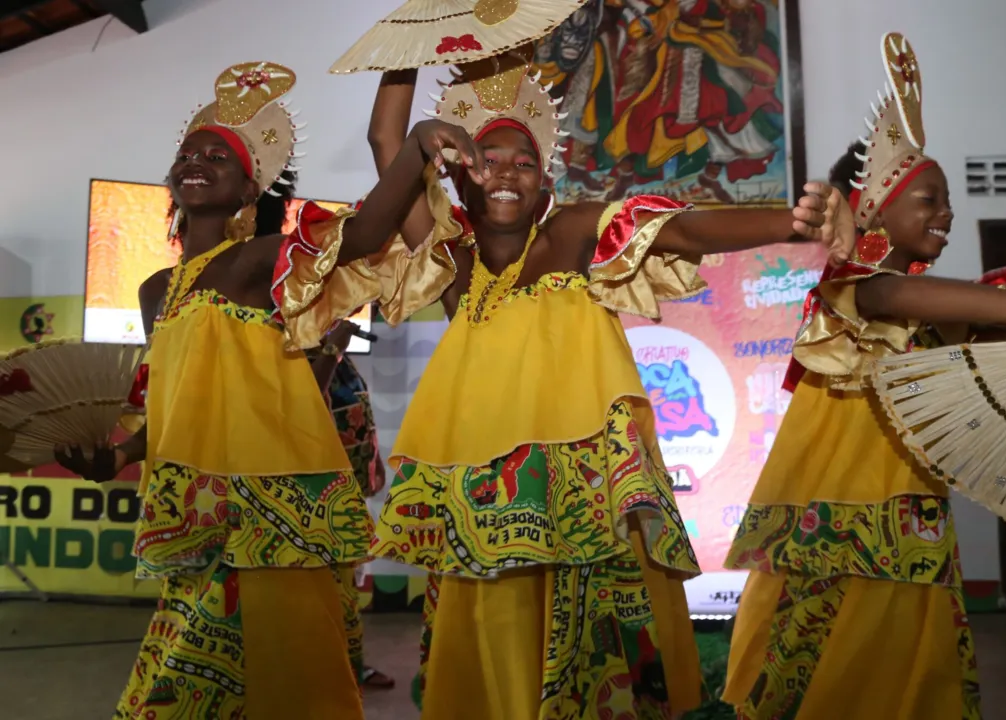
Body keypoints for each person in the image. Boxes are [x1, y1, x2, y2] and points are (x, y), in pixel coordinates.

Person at [269, 49, 850, 719]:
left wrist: (793, 222)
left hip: (585, 486)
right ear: (461, 171)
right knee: (495, 644)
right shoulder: (452, 259)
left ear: (544, 181)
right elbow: (386, 140)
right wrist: (407, 54)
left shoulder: (573, 232)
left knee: (596, 648)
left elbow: (682, 229)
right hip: (484, 494)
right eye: (488, 159)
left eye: (523, 162)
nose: (506, 173)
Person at [720, 33, 1006, 720]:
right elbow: (899, 299)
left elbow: (980, 314)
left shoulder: (933, 305)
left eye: (944, 200)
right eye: (930, 200)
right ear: (873, 207)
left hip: (909, 527)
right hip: (832, 522)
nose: (945, 212)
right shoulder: (851, 291)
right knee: (821, 686)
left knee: (909, 686)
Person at [53, 61, 400, 719]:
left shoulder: (256, 259)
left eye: (220, 156)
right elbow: (174, 397)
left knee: (290, 679)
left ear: (249, 188)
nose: (198, 161)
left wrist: (407, 148)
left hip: (273, 503)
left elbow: (368, 235)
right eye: (189, 153)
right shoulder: (156, 289)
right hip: (195, 507)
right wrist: (122, 457)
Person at [307, 320, 395, 691]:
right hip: (313, 489)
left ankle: (350, 666)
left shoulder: (334, 350)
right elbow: (306, 400)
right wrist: (332, 348)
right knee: (327, 589)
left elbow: (356, 414)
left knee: (347, 584)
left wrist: (372, 466)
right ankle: (330, 672)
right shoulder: (299, 342)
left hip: (346, 485)